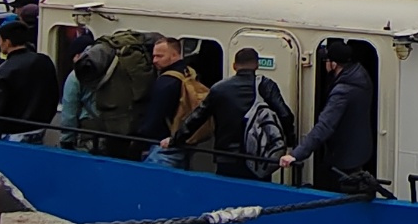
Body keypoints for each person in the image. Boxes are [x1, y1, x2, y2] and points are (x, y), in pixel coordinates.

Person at [171, 44, 296, 175]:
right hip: (258, 157)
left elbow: (197, 117)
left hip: (225, 157)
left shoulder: (219, 89)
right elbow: (285, 115)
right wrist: (289, 143)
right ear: (257, 66)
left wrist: (175, 140)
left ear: (234, 66)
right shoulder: (266, 86)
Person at [279, 43, 380, 196]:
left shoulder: (343, 92)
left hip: (344, 157)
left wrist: (295, 154)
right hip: (360, 151)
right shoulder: (360, 75)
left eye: (326, 61)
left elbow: (325, 126)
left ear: (333, 64)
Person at [137, 36, 205, 163]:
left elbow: (155, 117)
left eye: (159, 56)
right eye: (154, 56)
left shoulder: (166, 82)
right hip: (183, 140)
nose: (154, 61)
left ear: (174, 55)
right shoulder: (190, 73)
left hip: (162, 145)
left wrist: (139, 141)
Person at [0, 22, 61, 135]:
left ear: (7, 42)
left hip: (13, 130)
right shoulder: (44, 61)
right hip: (40, 127)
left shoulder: (4, 70)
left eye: (0, 40)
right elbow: (53, 93)